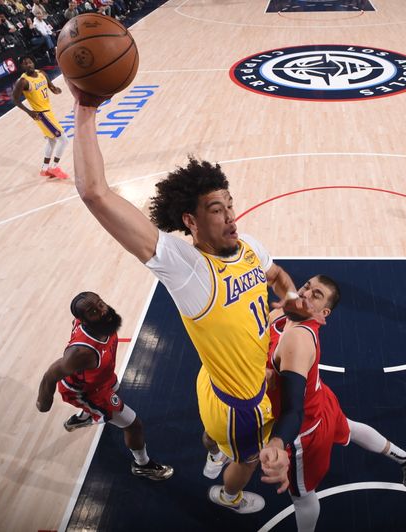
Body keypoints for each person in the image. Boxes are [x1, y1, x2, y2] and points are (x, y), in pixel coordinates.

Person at [67, 84, 321, 513]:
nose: (231, 216)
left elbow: (276, 274)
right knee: (246, 459)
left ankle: (211, 449)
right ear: (191, 220)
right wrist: (86, 107)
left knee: (212, 433)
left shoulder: (249, 247)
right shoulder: (187, 268)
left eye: (230, 204)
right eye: (217, 209)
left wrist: (292, 297)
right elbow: (96, 193)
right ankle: (228, 494)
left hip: (212, 383)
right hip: (244, 404)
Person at [261, 275, 406, 532]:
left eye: (315, 295)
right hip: (321, 400)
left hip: (305, 431)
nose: (305, 293)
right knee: (350, 428)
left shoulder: (300, 340)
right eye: (307, 286)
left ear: (322, 312)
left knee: (303, 496)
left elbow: (293, 410)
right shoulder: (283, 314)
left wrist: (277, 441)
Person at [36, 292, 174, 481]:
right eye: (93, 311)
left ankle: (83, 418)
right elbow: (51, 374)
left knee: (117, 390)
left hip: (102, 378)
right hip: (87, 393)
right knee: (134, 425)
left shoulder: (102, 323)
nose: (102, 311)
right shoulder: (81, 352)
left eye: (101, 304)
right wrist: (43, 403)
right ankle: (142, 465)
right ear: (83, 320)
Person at [11, 55, 69, 179]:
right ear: (22, 66)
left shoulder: (41, 73)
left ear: (33, 62)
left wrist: (56, 90)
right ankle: (54, 167)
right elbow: (15, 99)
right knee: (64, 140)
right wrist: (29, 112)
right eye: (25, 64)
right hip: (41, 114)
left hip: (48, 111)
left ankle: (44, 169)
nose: (29, 65)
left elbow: (51, 86)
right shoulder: (23, 81)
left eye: (30, 62)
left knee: (52, 140)